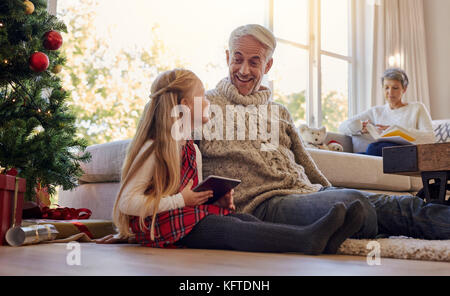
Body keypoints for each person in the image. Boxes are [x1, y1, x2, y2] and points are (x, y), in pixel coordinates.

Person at [198, 24, 450, 240]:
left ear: (268, 64)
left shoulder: (279, 111)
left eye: (254, 62)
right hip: (261, 205)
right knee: (353, 203)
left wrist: (327, 191)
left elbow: (306, 163)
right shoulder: (205, 105)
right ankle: (366, 221)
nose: (244, 70)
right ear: (227, 56)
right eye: (238, 59)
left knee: (396, 203)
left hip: (305, 193)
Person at [97, 68, 367, 255]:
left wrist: (216, 199)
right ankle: (306, 239)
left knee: (242, 220)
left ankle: (325, 242)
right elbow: (127, 202)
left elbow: (194, 196)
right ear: (185, 105)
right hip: (166, 227)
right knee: (227, 229)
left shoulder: (192, 149)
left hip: (187, 219)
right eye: (202, 97)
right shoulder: (154, 148)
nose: (209, 103)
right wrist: (183, 200)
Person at [339, 68, 435, 156]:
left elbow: (430, 137)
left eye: (395, 88)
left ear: (404, 89)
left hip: (405, 153)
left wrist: (396, 131)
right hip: (381, 152)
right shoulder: (376, 111)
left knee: (374, 149)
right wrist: (360, 127)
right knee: (354, 156)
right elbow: (342, 127)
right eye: (386, 88)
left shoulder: (417, 108)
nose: (390, 92)